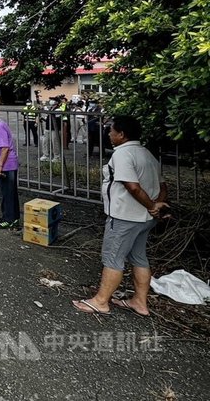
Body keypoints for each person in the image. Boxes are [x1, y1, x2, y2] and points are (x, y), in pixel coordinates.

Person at [72, 116, 168, 317]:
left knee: (113, 257)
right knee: (139, 257)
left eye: (111, 131)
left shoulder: (123, 155)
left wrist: (151, 206)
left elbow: (131, 186)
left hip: (125, 216)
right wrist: (156, 206)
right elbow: (163, 185)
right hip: (144, 220)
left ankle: (101, 301)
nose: (109, 134)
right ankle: (140, 302)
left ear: (122, 134)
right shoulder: (147, 154)